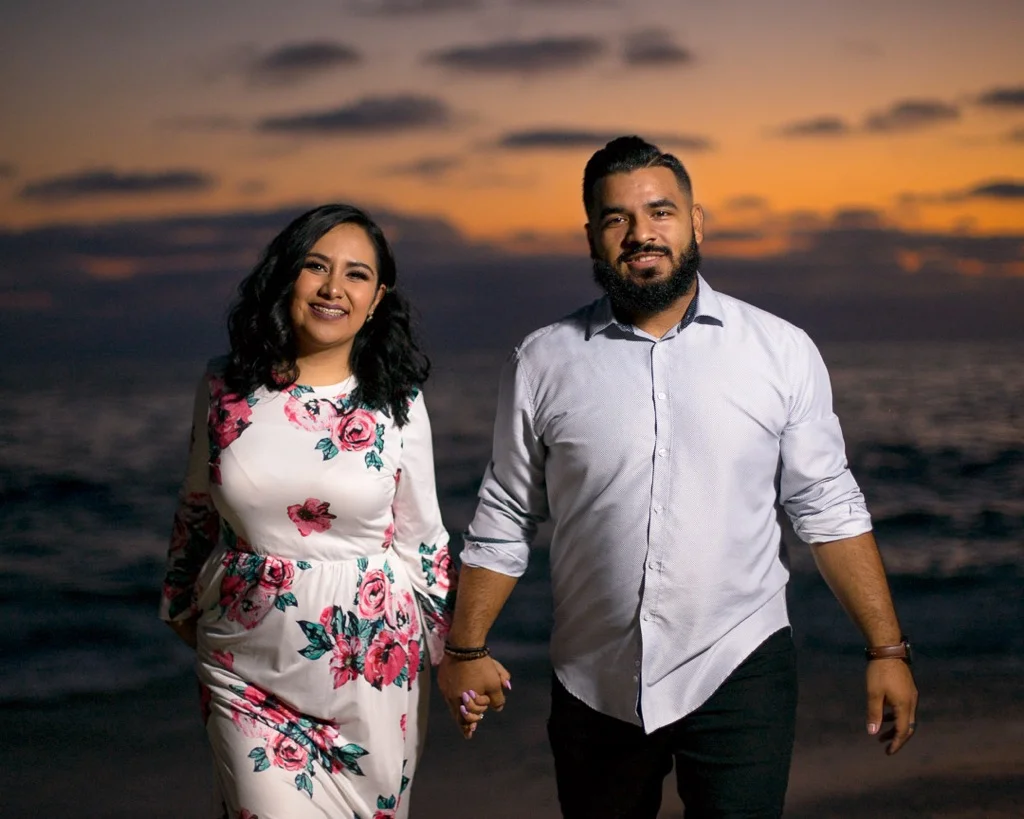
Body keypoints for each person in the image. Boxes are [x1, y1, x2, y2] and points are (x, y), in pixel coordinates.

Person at [437, 137, 919, 818]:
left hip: (740, 664)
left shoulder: (780, 351)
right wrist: (465, 647)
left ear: (696, 222)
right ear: (592, 237)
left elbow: (827, 507)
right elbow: (507, 513)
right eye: (617, 219)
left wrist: (887, 650)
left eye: (660, 212)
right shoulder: (542, 361)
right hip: (593, 677)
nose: (642, 233)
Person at [159, 204, 504, 818]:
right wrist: (179, 602)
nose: (333, 288)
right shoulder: (223, 387)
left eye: (356, 274)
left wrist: (458, 655)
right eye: (316, 266)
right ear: (286, 275)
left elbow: (423, 544)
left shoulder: (397, 404)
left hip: (372, 674)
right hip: (243, 665)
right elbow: (197, 504)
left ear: (376, 299)